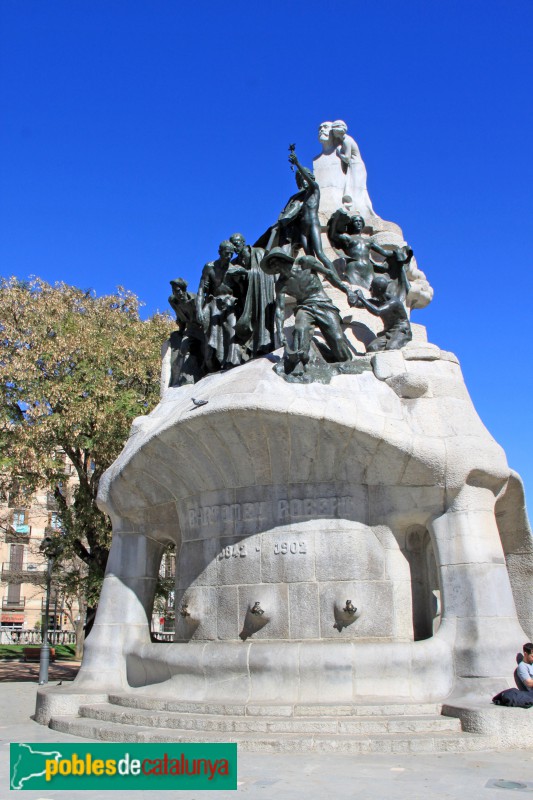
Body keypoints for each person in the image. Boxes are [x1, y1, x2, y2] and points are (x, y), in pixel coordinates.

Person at [260, 247, 356, 374]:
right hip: (304, 307)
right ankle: (299, 366)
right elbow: (279, 309)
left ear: (283, 259)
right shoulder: (281, 285)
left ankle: (347, 363)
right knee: (300, 330)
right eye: (271, 264)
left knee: (337, 339)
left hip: (323, 303)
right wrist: (280, 331)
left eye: (274, 261)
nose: (273, 266)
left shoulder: (305, 262)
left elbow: (329, 274)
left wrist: (348, 291)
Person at [196, 241, 246, 373]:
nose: (229, 256)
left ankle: (232, 361)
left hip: (230, 303)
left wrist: (241, 277)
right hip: (214, 304)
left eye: (231, 254)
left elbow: (242, 291)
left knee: (232, 330)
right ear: (219, 252)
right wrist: (199, 310)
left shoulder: (235, 269)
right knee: (210, 336)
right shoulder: (209, 267)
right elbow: (201, 290)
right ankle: (212, 364)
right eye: (226, 253)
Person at [229, 233, 277, 356]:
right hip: (246, 296)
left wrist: (245, 272)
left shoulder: (258, 252)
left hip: (262, 292)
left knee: (262, 317)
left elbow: (265, 273)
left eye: (236, 243)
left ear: (243, 242)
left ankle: (264, 345)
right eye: (232, 245)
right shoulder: (235, 261)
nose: (235, 247)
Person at [327, 209, 398, 289]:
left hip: (368, 268)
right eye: (356, 221)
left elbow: (385, 252)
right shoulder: (348, 238)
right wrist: (335, 219)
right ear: (351, 224)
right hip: (354, 266)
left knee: (371, 291)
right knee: (355, 288)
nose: (358, 223)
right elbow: (333, 236)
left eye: (360, 221)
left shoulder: (369, 242)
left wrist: (397, 253)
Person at [355, 275, 412, 351]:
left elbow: (378, 311)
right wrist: (351, 296)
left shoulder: (394, 302)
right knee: (372, 348)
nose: (370, 290)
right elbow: (359, 304)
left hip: (401, 331)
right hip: (388, 332)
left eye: (372, 288)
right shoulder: (378, 301)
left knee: (391, 348)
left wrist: (362, 298)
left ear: (378, 289)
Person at [167, 278, 205, 386]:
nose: (176, 293)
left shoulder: (194, 299)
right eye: (174, 290)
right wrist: (180, 330)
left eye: (178, 290)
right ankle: (179, 381)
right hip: (191, 329)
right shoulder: (172, 300)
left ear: (184, 290)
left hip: (202, 328)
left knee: (207, 350)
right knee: (183, 349)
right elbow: (180, 316)